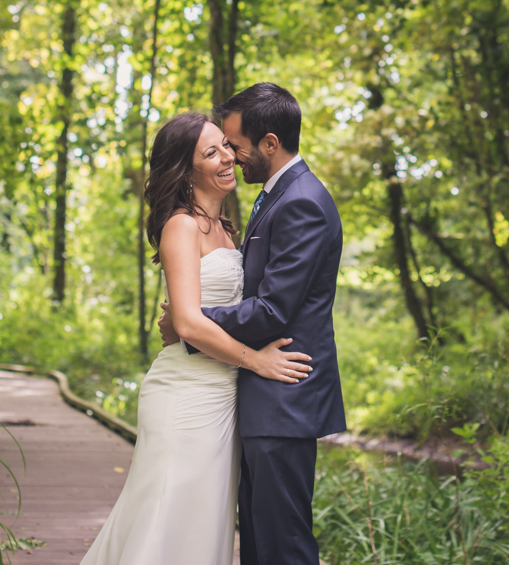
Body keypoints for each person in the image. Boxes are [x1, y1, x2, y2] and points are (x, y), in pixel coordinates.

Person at [79, 111, 314, 565]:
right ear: (185, 170)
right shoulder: (181, 225)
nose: (228, 157)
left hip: (222, 397)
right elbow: (186, 323)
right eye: (211, 152)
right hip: (185, 397)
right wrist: (256, 360)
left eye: (226, 145)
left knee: (202, 526)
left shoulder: (227, 228)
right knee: (168, 518)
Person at [161, 83, 347, 565]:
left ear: (269, 143)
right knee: (262, 542)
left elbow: (272, 310)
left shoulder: (300, 201)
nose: (231, 155)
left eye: (235, 144)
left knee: (283, 545)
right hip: (259, 398)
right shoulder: (273, 196)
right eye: (219, 146)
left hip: (284, 393)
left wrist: (192, 321)